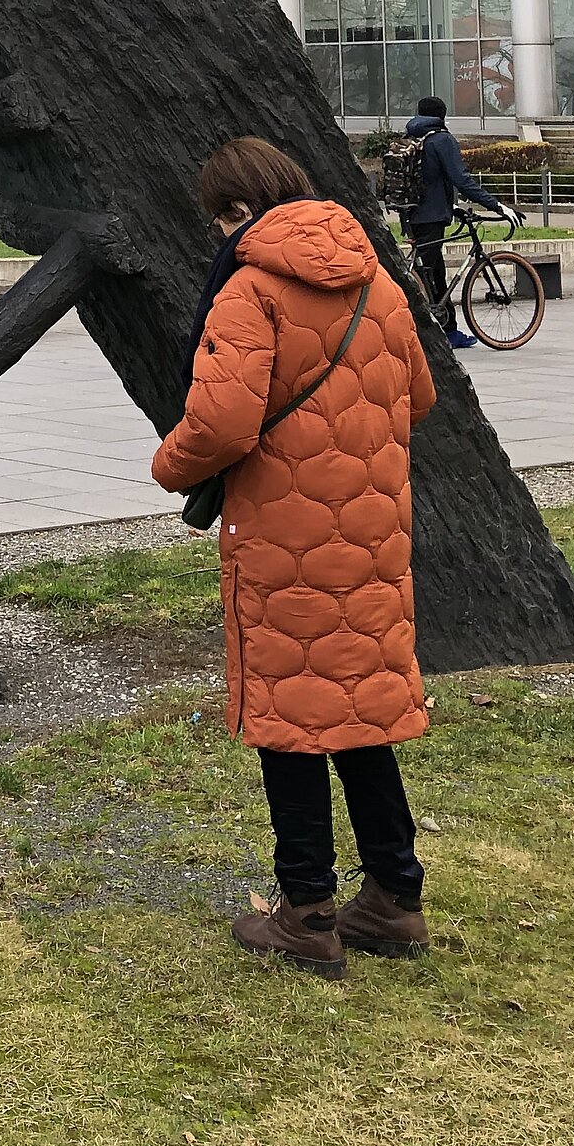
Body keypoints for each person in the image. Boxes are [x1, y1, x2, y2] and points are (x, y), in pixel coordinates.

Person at [151, 136, 437, 977]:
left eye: (218, 221)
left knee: (292, 716)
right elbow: (416, 395)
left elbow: (222, 425)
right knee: (357, 708)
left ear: (239, 213)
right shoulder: (378, 279)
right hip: (374, 532)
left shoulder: (249, 289)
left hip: (285, 534)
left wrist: (168, 465)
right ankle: (395, 896)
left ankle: (307, 910)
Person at [395, 94, 519, 351]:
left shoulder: (411, 137)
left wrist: (453, 207)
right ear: (442, 115)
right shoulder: (441, 139)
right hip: (432, 217)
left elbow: (424, 181)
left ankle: (445, 326)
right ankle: (444, 331)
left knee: (433, 271)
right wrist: (498, 206)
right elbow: (461, 180)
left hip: (411, 214)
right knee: (431, 273)